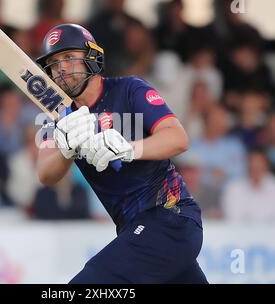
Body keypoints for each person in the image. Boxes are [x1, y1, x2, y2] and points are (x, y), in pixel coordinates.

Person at [36, 23, 207, 283]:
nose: (61, 68)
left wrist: (128, 149)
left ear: (91, 58)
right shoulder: (56, 117)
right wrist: (67, 150)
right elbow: (46, 174)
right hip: (136, 230)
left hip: (170, 215)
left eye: (69, 57)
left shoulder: (129, 89)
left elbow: (178, 138)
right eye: (55, 62)